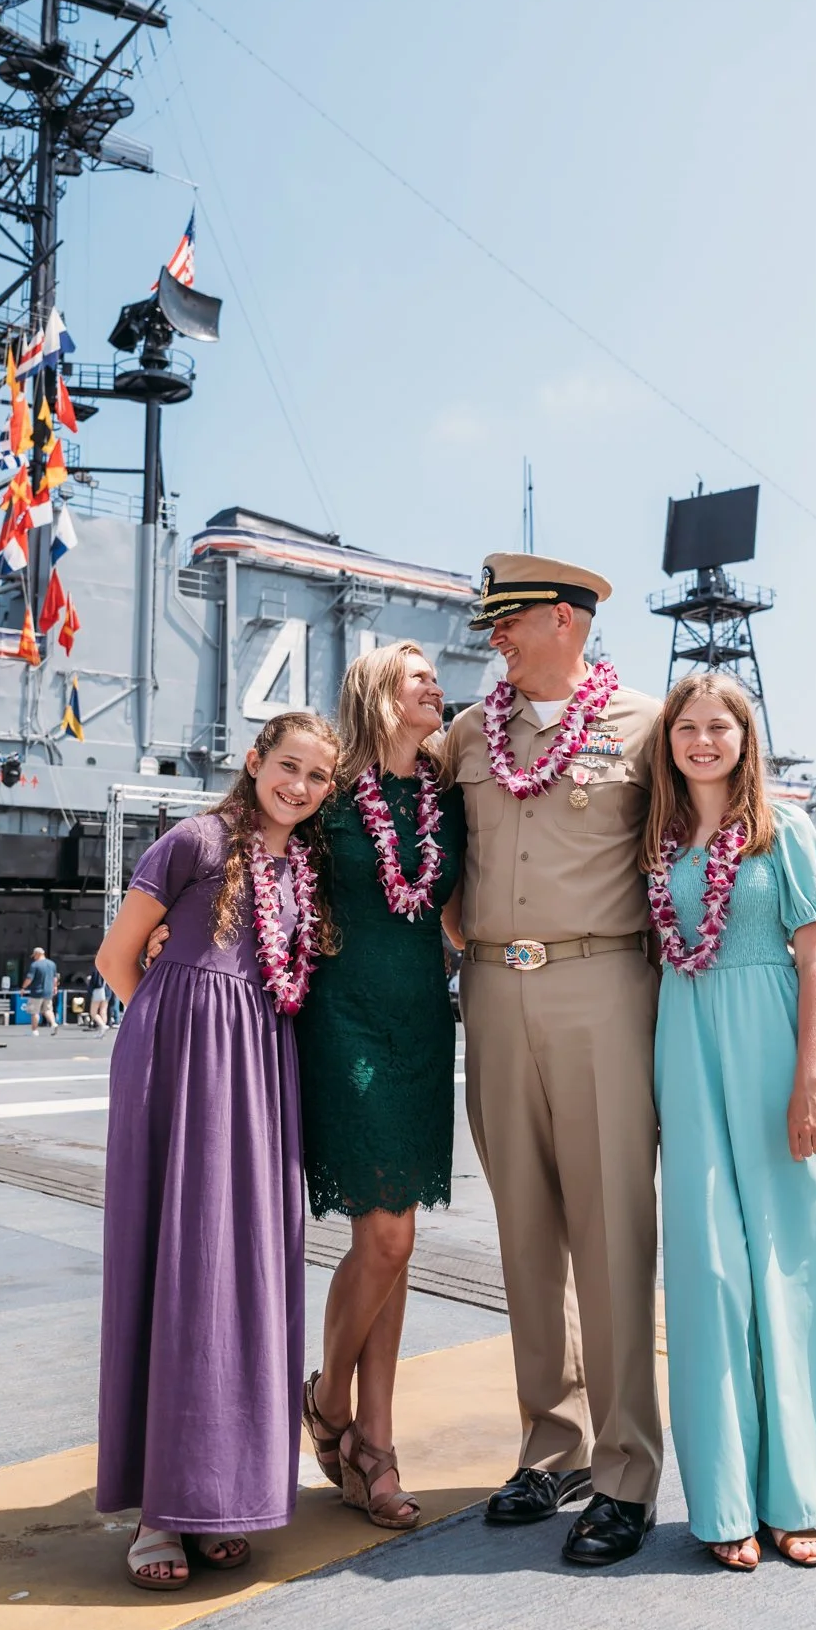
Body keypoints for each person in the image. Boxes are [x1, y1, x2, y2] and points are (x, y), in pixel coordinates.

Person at [443, 552, 816, 1570]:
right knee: (526, 1231)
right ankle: (555, 1446)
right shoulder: (462, 734)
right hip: (492, 987)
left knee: (612, 1230)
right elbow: (422, 845)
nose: (490, 637)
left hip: (607, 987)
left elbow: (724, 840)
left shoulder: (643, 725)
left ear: (563, 621)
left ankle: (626, 1469)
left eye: (507, 620)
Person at [93, 710, 338, 1590]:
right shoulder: (193, 842)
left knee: (244, 1273)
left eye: (316, 776)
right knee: (180, 1268)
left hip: (261, 1069)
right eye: (287, 766)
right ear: (254, 760)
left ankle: (221, 1495)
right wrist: (170, 1037)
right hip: (184, 1061)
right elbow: (118, 958)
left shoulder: (299, 869)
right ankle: (160, 1511)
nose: (298, 787)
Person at [648, 673, 816, 1571]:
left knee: (784, 1268)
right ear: (668, 741)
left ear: (744, 738)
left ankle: (795, 1496)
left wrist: (809, 1081)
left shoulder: (786, 829)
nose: (702, 741)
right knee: (706, 1273)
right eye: (686, 727)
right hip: (684, 1049)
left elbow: (815, 960)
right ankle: (725, 1498)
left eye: (718, 727)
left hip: (773, 1049)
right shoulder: (652, 839)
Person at [297, 642, 466, 1532]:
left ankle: (373, 1440)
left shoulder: (449, 799)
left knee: (394, 1244)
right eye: (419, 678)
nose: (437, 687)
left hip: (421, 1027)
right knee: (387, 1235)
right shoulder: (329, 798)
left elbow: (469, 907)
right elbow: (266, 866)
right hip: (344, 1020)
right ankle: (329, 1405)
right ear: (377, 695)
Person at [25, 945, 58, 1030]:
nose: (34, 957)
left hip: (36, 991)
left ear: (37, 954)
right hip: (48, 991)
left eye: (34, 955)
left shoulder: (35, 965)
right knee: (48, 1010)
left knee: (35, 1012)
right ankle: (54, 1024)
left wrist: (23, 987)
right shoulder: (52, 964)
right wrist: (55, 987)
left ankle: (34, 1030)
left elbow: (29, 978)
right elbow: (55, 978)